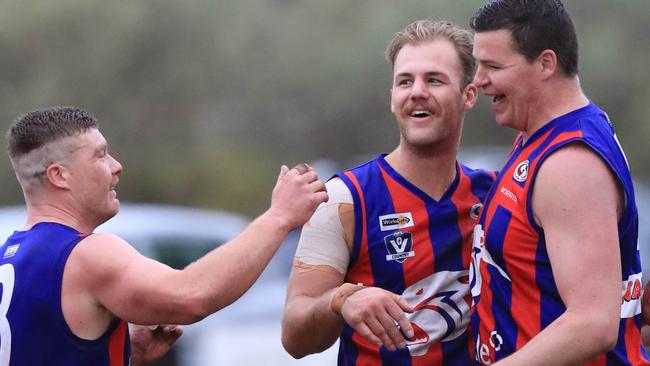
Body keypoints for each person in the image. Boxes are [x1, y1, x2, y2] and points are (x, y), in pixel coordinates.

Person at [1, 106, 327, 365]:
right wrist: (280, 216)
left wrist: (122, 354)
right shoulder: (85, 254)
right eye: (100, 155)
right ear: (60, 176)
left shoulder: (9, 254)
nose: (116, 166)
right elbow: (192, 295)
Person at [281, 20, 495, 365]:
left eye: (434, 80)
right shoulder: (343, 200)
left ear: (468, 95)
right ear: (392, 98)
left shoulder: (493, 194)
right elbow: (294, 337)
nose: (417, 92)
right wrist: (342, 299)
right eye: (405, 81)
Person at [468, 0, 649, 364]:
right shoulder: (538, 135)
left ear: (546, 64)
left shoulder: (570, 163)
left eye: (493, 66)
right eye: (477, 64)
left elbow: (593, 323)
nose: (478, 80)